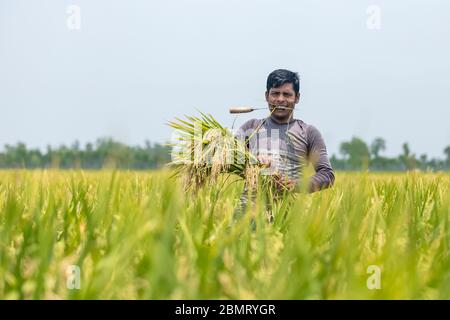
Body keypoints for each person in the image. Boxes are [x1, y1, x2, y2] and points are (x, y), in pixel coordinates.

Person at [234, 69, 335, 222]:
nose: (280, 99)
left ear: (297, 98)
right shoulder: (251, 128)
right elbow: (230, 159)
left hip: (288, 217)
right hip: (247, 216)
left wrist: (296, 185)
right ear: (267, 96)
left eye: (287, 94)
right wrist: (252, 161)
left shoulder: (308, 132)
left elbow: (327, 174)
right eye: (275, 93)